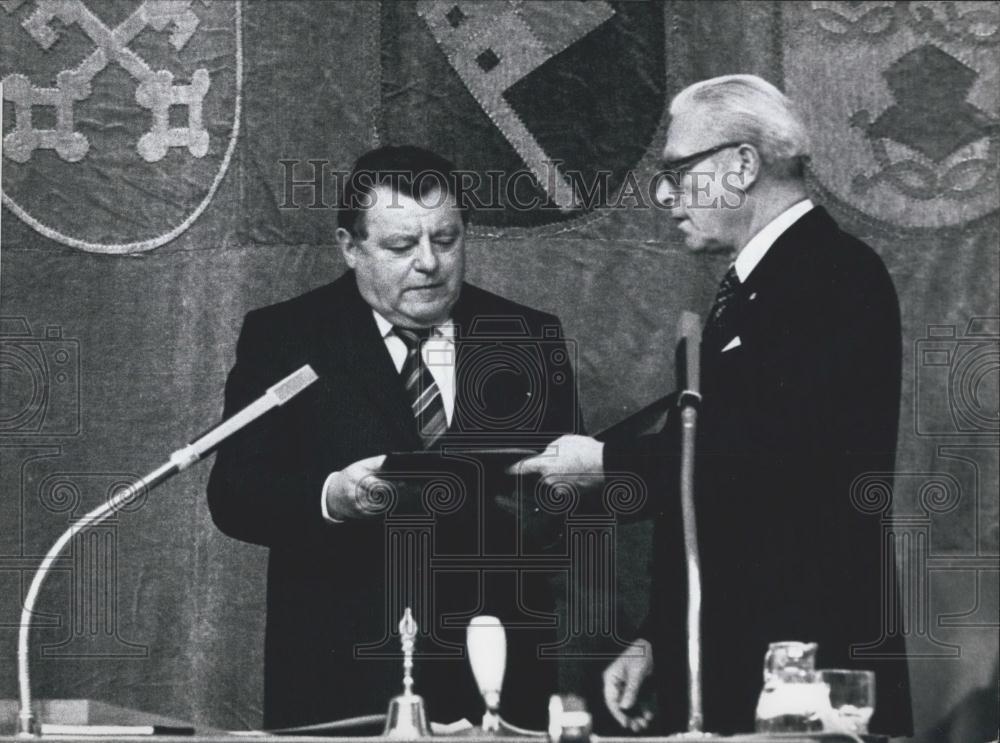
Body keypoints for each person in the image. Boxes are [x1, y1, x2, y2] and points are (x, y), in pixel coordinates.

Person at [516, 75, 913, 736]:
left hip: (806, 672)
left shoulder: (832, 276)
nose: (666, 195)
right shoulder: (757, 290)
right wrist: (660, 637)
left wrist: (605, 461)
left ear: (744, 163)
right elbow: (718, 509)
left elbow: (766, 459)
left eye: (677, 170)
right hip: (739, 661)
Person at [207, 145, 580, 729]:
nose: (429, 263)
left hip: (498, 675)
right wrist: (335, 496)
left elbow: (567, 503)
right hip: (338, 680)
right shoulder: (284, 336)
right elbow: (234, 493)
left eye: (447, 238)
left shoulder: (529, 336)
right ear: (350, 248)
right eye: (401, 246)